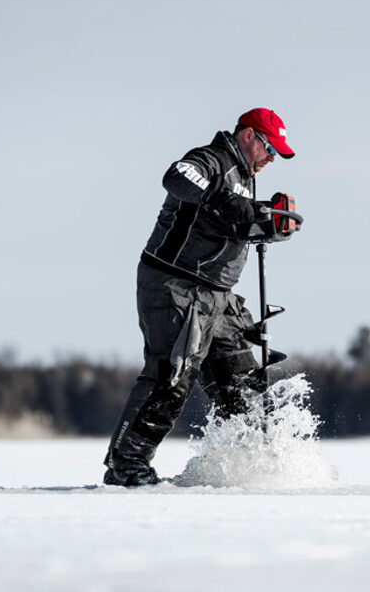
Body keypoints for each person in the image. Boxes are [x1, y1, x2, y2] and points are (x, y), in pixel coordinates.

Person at [103, 108, 296, 486]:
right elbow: (177, 177)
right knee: (171, 374)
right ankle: (127, 466)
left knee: (239, 379)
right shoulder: (212, 160)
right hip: (175, 284)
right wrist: (230, 204)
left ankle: (247, 466)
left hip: (217, 294)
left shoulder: (245, 175)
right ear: (249, 136)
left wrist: (263, 222)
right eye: (270, 148)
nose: (273, 157)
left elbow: (227, 218)